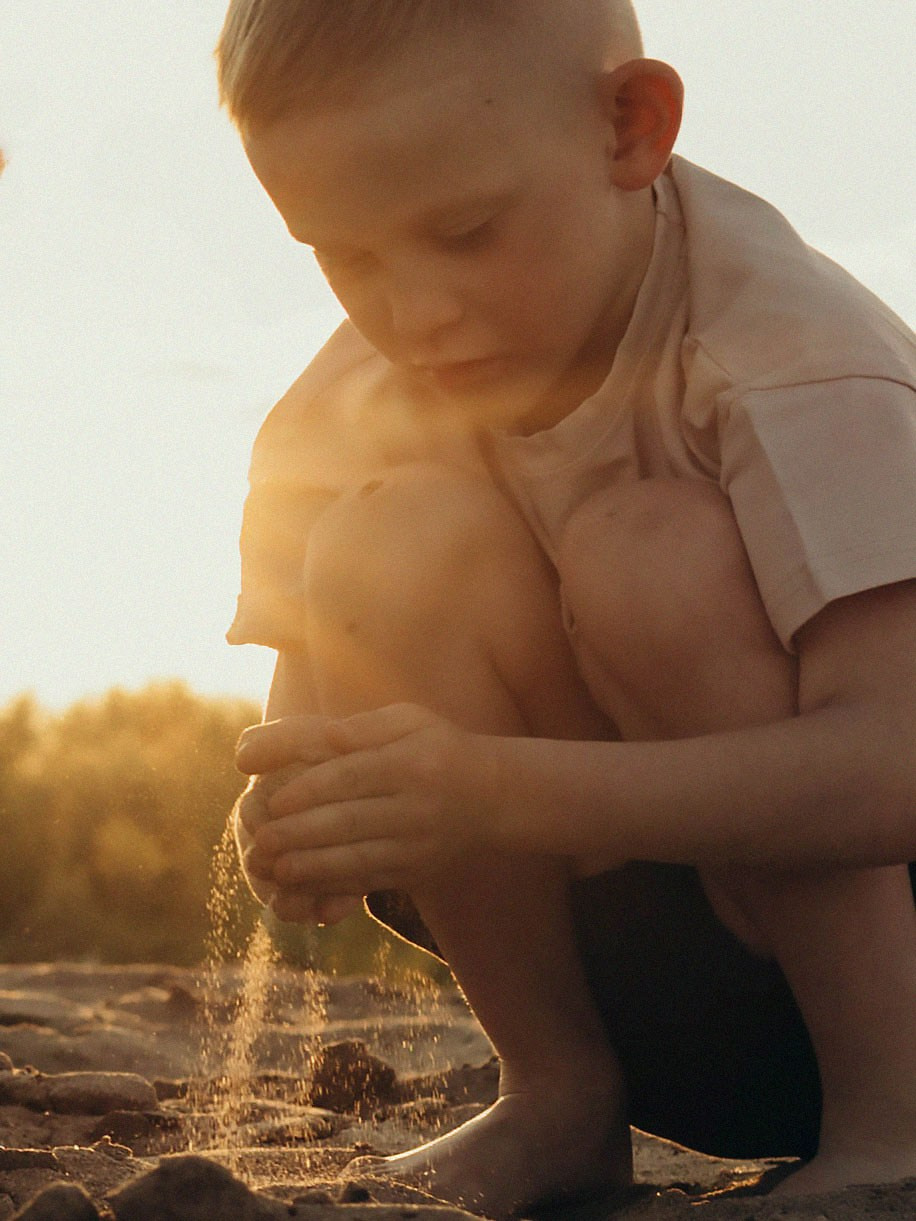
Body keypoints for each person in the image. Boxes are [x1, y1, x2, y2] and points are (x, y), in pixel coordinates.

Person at [218, 1, 916, 1215]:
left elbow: (894, 766)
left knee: (653, 556)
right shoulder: (359, 394)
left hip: (886, 948)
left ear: (629, 128)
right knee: (394, 540)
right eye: (347, 256)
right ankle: (558, 1094)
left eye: (466, 232)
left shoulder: (794, 362)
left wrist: (487, 783)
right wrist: (300, 818)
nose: (412, 313)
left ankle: (888, 1131)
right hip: (672, 1005)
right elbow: (310, 715)